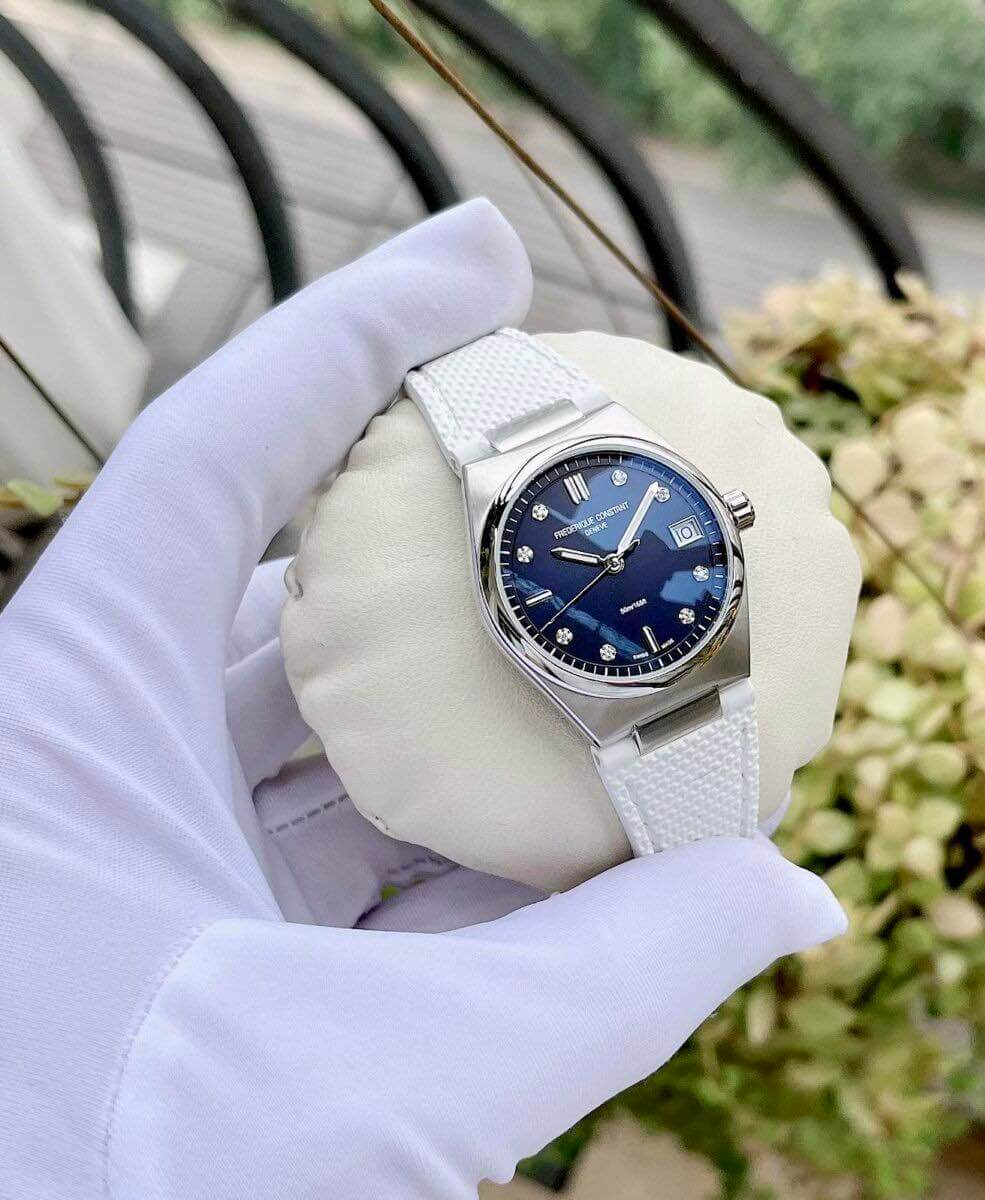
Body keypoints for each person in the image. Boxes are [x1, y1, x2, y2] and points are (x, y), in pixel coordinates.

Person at [0, 199, 845, 1199]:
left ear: (724, 516)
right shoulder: (528, 565)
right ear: (498, 601)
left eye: (630, 548)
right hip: (591, 651)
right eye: (599, 555)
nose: (615, 560)